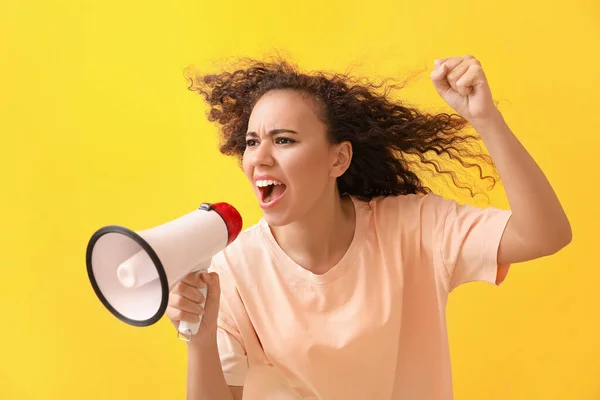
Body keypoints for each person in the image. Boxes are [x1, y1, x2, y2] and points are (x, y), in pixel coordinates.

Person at [166, 54, 572, 400]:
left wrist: (486, 118)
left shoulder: (413, 228)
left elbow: (545, 234)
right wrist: (200, 340)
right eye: (252, 142)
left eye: (284, 140)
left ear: (338, 160)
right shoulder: (232, 272)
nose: (260, 158)